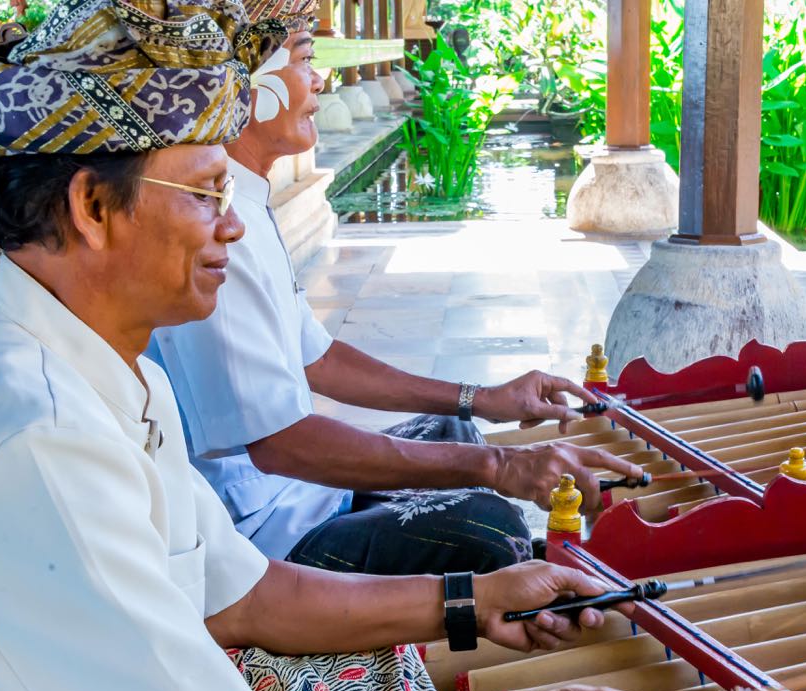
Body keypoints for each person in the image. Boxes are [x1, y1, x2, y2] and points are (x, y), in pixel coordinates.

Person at [0, 3, 687, 691]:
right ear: (92, 207)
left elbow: (247, 596)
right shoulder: (36, 428)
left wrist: (474, 602)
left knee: (379, 666)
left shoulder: (117, 371)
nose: (230, 220)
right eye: (203, 194)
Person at [148, 14, 639, 576]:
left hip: (301, 492)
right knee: (490, 529)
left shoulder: (247, 201)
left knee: (453, 428)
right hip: (262, 530)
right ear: (246, 85)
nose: (321, 81)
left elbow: (320, 359)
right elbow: (282, 445)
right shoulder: (215, 230)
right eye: (306, 59)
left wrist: (481, 398)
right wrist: (501, 465)